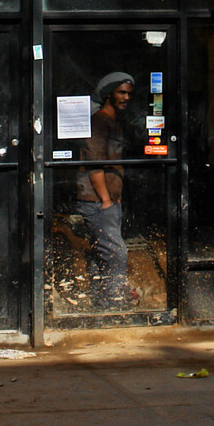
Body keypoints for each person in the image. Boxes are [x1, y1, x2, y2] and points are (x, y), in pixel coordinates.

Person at [77, 72, 135, 309]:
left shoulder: (114, 123)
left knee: (100, 253)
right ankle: (113, 301)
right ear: (109, 94)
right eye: (122, 92)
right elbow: (94, 164)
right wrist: (106, 201)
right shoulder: (99, 122)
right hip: (97, 201)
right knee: (116, 252)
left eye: (129, 94)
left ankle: (99, 302)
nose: (126, 98)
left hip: (108, 201)